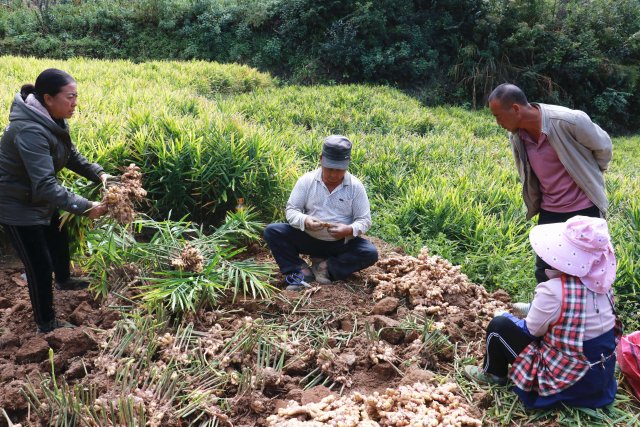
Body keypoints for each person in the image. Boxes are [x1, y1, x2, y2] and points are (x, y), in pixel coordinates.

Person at [464, 216, 621, 409]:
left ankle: (494, 374)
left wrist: (508, 318)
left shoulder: (554, 291)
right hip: (597, 379)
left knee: (499, 326)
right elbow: (575, 315)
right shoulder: (602, 285)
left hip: (567, 382)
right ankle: (534, 310)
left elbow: (532, 331)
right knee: (549, 320)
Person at [0, 68, 109, 333]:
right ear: (48, 98)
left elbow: (70, 155)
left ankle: (64, 280)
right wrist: (86, 207)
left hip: (38, 197)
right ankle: (46, 324)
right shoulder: (29, 130)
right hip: (16, 204)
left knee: (58, 237)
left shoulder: (53, 119)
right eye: (70, 97)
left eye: (76, 96)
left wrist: (101, 174)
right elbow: (45, 184)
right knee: (39, 264)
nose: (75, 103)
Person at [488, 83, 613, 284]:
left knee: (591, 269)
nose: (497, 122)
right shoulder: (516, 136)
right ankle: (547, 311)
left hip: (585, 209)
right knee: (546, 270)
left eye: (498, 116)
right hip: (550, 210)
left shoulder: (568, 121)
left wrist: (590, 175)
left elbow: (604, 147)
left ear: (516, 109)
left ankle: (595, 313)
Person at [263, 135, 378, 290]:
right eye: (329, 168)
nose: (334, 175)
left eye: (339, 170)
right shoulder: (307, 181)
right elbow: (291, 210)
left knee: (369, 252)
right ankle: (300, 271)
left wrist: (348, 230)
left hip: (339, 243)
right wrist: (305, 221)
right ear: (321, 159)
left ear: (348, 163)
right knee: (273, 231)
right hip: (308, 238)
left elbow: (364, 220)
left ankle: (325, 267)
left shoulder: (355, 187)